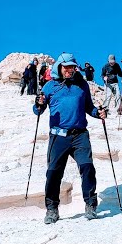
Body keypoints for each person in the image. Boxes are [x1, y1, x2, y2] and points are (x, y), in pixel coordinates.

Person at [34, 53, 109, 224]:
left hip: (80, 135)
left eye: (72, 67)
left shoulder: (82, 85)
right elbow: (38, 110)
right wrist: (38, 104)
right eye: (66, 67)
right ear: (59, 67)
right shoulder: (49, 86)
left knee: (87, 168)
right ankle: (52, 209)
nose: (70, 70)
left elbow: (89, 107)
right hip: (57, 137)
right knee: (53, 174)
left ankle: (90, 205)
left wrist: (99, 113)